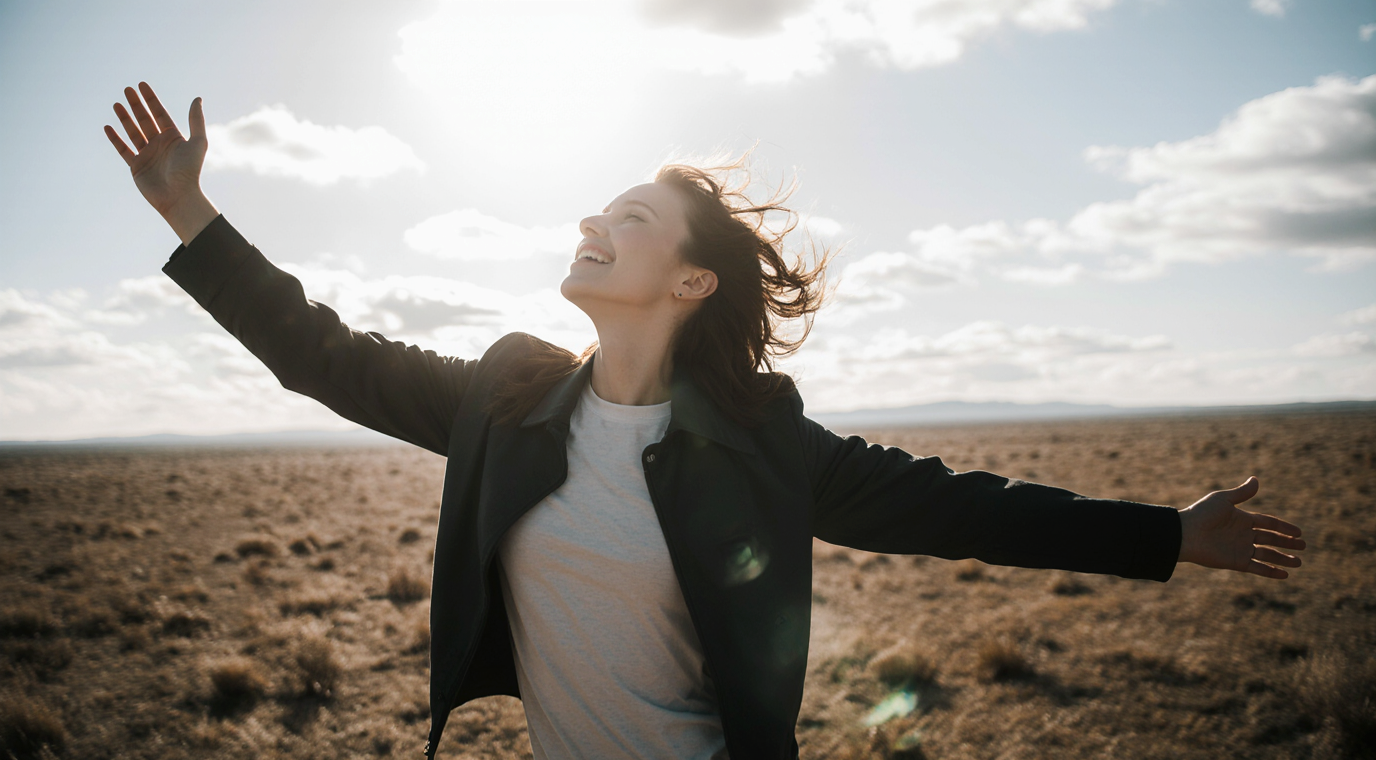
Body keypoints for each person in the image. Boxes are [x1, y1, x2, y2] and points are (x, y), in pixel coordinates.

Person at [105, 82, 1305, 760]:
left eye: (631, 216)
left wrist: (1162, 535)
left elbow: (955, 508)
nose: (595, 218)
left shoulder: (758, 443)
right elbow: (323, 353)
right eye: (601, 204)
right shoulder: (508, 398)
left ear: (690, 282)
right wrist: (192, 217)